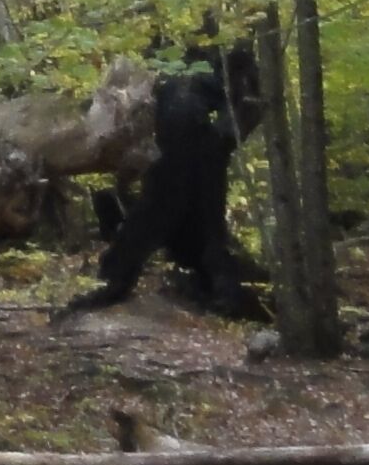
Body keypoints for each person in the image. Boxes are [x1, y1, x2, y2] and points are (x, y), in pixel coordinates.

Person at [60, 43, 262, 315]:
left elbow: (250, 103)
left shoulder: (210, 60)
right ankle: (121, 277)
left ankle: (120, 277)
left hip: (190, 142)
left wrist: (221, 138)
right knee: (174, 211)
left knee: (173, 211)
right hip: (179, 141)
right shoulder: (178, 62)